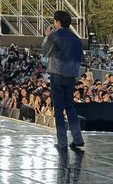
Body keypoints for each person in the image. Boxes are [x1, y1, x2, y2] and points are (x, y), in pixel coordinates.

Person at [41, 10, 85, 150]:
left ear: (58, 22)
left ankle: (62, 141)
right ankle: (77, 138)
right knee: (70, 107)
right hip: (71, 75)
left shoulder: (55, 36)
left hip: (57, 74)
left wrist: (47, 36)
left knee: (59, 108)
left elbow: (45, 52)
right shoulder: (76, 39)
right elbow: (80, 58)